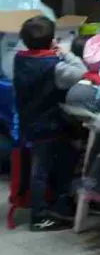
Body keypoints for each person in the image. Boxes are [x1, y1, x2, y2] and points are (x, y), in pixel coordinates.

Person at [14, 16, 87, 231]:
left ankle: (58, 205)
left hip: (30, 121)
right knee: (42, 170)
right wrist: (65, 53)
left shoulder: (20, 59)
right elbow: (81, 72)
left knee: (55, 163)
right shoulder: (55, 67)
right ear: (52, 40)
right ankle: (39, 216)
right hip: (50, 124)